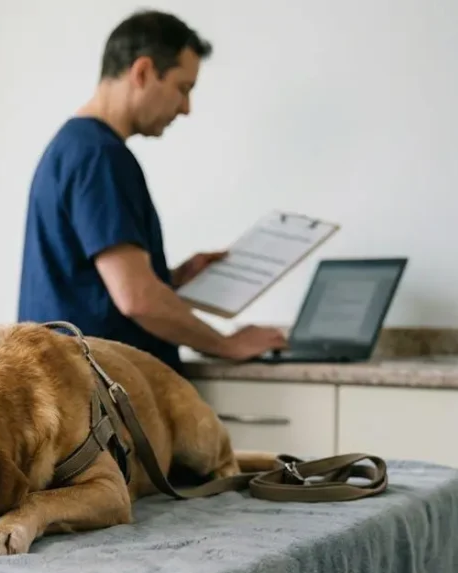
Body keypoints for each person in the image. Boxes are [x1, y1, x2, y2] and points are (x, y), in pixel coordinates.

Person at [17, 9, 287, 378]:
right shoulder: (101, 156)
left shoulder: (72, 147)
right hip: (102, 401)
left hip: (72, 392)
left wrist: (172, 278)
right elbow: (137, 299)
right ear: (142, 72)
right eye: (183, 88)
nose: (186, 108)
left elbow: (92, 286)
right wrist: (228, 344)